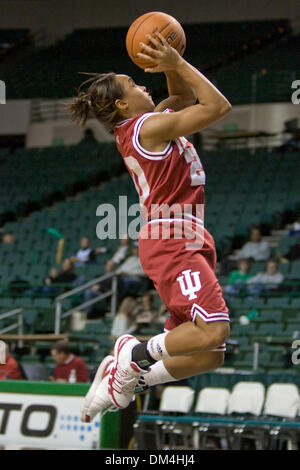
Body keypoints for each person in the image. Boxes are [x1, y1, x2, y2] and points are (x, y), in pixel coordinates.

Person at [69, 31, 231, 420]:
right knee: (214, 331)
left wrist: (170, 62)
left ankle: (129, 378)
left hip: (186, 235)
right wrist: (178, 65)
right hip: (171, 237)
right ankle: (132, 354)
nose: (143, 84)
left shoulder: (147, 123)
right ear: (123, 103)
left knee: (208, 354)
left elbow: (186, 99)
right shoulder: (145, 129)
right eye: (134, 84)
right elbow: (217, 106)